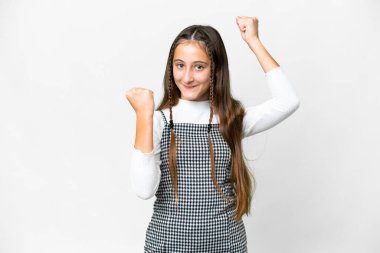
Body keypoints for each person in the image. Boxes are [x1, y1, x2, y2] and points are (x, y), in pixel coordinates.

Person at [126, 16, 300, 253]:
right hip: (167, 246)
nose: (186, 77)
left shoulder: (231, 119)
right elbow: (144, 190)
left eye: (199, 67)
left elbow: (288, 102)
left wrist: (253, 41)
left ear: (216, 70)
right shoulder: (159, 120)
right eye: (179, 65)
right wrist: (143, 117)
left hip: (227, 245)